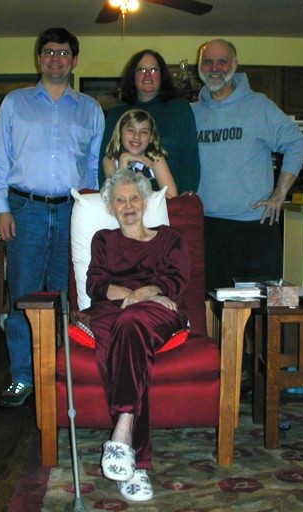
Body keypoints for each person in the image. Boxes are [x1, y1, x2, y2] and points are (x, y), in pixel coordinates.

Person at [0, 27, 104, 407]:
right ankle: (23, 377)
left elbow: (92, 170)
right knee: (24, 296)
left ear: (74, 60)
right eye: (49, 52)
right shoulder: (14, 103)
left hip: (73, 212)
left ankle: (62, 374)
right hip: (25, 210)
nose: (56, 59)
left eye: (64, 52)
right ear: (39, 58)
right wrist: (1, 208)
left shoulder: (90, 109)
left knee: (67, 295)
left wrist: (93, 215)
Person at [86, 169, 190, 502]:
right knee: (120, 343)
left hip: (158, 310)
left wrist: (145, 292)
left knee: (130, 324)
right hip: (111, 310)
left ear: (145, 202)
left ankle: (123, 432)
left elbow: (176, 281)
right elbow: (96, 285)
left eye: (134, 198)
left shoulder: (171, 238)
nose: (128, 205)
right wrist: (128, 297)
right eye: (120, 200)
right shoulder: (104, 239)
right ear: (111, 207)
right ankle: (134, 462)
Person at [191, 39, 303, 290]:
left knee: (258, 309)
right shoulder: (191, 113)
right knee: (212, 307)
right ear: (199, 66)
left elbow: (296, 142)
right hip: (206, 226)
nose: (215, 67)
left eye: (222, 61)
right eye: (208, 61)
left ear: (234, 65)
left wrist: (280, 194)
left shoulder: (259, 106)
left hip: (255, 226)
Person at [99, 49, 200, 194]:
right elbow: (106, 158)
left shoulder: (180, 109)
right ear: (133, 76)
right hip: (123, 205)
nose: (147, 74)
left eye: (153, 69)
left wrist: (186, 194)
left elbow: (190, 157)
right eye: (141, 69)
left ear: (162, 75)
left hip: (169, 201)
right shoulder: (117, 114)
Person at [102, 108, 178, 198]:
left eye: (144, 132)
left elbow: (172, 195)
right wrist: (124, 159)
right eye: (130, 130)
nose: (137, 136)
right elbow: (119, 196)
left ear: (151, 137)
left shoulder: (155, 159)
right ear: (119, 133)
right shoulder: (110, 160)